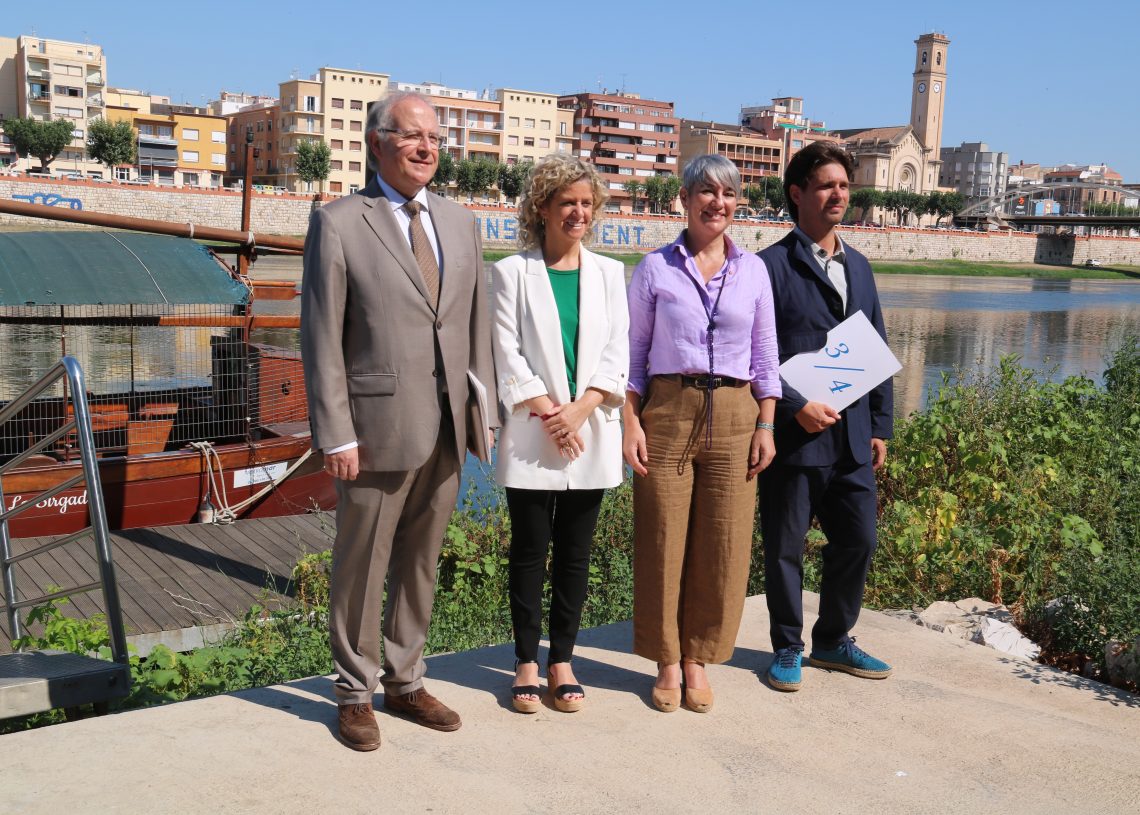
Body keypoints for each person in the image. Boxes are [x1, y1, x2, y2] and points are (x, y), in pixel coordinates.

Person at [300, 92, 495, 751]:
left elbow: (475, 327)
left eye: (434, 138)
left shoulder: (461, 223)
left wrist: (482, 414)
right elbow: (322, 337)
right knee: (362, 565)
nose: (426, 148)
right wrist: (336, 432)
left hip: (447, 425)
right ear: (377, 143)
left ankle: (406, 680)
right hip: (375, 427)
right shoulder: (339, 223)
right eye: (412, 136)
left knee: (421, 561)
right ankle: (354, 692)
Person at [623, 154, 780, 713]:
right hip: (668, 408)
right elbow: (632, 355)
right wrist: (629, 421)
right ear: (685, 200)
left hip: (737, 412)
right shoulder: (654, 268)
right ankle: (666, 658)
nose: (718, 202)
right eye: (707, 192)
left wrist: (766, 424)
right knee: (662, 535)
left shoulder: (754, 270)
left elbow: (765, 355)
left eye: (728, 193)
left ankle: (699, 657)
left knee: (724, 540)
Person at [490, 154, 629, 714]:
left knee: (576, 554)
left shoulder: (610, 274)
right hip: (532, 432)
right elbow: (505, 350)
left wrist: (582, 410)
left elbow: (618, 351)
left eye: (587, 203)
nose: (579, 212)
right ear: (542, 208)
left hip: (591, 430)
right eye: (567, 202)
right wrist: (553, 414)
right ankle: (526, 660)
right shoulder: (510, 272)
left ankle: (562, 660)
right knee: (529, 552)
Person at [757, 141, 894, 693]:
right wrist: (796, 406)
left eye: (843, 185)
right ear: (797, 194)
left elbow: (876, 344)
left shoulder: (859, 265)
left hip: (853, 437)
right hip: (795, 437)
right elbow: (755, 355)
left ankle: (834, 640)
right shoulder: (768, 267)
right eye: (826, 185)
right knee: (785, 548)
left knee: (859, 540)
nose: (838, 194)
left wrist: (881, 426)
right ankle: (787, 647)